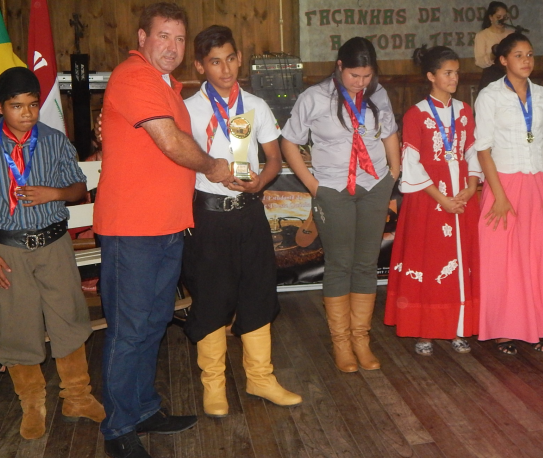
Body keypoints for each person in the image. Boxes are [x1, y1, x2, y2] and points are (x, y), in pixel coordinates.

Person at [94, 3, 231, 458]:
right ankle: (117, 429)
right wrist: (214, 166)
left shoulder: (166, 86)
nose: (171, 46)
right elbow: (171, 142)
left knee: (153, 323)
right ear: (142, 39)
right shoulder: (133, 77)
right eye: (162, 36)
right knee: (130, 329)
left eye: (178, 38)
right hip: (133, 229)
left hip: (168, 225)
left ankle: (143, 408)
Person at [0, 67, 105, 440]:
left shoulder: (56, 141)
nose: (26, 113)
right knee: (16, 324)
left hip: (54, 244)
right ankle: (32, 402)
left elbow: (77, 188)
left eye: (32, 105)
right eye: (16, 106)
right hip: (6, 249)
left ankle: (77, 396)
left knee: (70, 317)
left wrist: (53, 194)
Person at [181, 25, 301, 417]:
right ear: (200, 65)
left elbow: (274, 158)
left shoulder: (255, 106)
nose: (226, 68)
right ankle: (213, 384)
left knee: (258, 291)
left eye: (231, 58)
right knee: (212, 297)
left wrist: (260, 183)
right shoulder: (186, 109)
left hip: (249, 214)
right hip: (209, 217)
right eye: (215, 62)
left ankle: (261, 378)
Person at [281, 37, 400, 373]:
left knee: (365, 264)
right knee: (339, 264)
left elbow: (389, 131)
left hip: (374, 185)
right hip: (332, 188)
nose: (360, 83)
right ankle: (341, 343)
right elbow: (289, 141)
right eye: (354, 76)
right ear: (339, 67)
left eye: (366, 76)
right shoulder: (314, 97)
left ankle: (361, 339)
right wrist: (312, 184)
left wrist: (393, 172)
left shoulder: (378, 94)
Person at [474, 33, 543, 354]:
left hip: (540, 184)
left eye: (530, 55)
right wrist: (499, 195)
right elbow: (483, 150)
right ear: (503, 61)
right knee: (505, 259)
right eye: (519, 55)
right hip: (503, 184)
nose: (526, 61)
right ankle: (505, 331)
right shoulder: (489, 96)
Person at [384, 46, 482, 356]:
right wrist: (442, 199)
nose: (454, 78)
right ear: (431, 76)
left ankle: (459, 326)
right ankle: (424, 329)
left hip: (462, 199)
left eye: (456, 72)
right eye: (447, 73)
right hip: (430, 200)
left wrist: (470, 187)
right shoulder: (416, 114)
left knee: (461, 262)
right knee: (428, 262)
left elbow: (472, 151)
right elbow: (411, 162)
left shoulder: (465, 111)